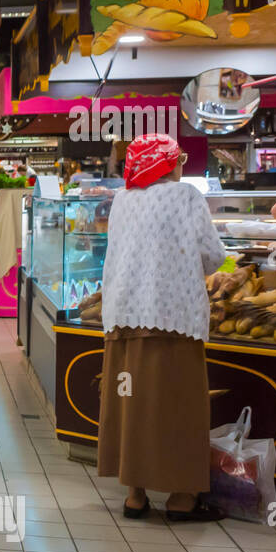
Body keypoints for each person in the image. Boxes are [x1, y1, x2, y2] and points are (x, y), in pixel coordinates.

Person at [98, 134, 228, 522]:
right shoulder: (186, 196)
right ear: (167, 164)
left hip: (123, 314)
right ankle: (181, 498)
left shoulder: (122, 199)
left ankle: (135, 495)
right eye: (179, 158)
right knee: (180, 404)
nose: (182, 164)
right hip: (175, 316)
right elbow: (214, 255)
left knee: (130, 401)